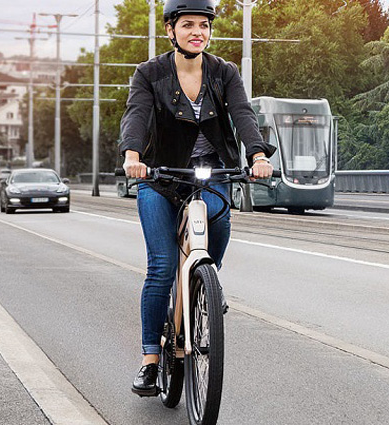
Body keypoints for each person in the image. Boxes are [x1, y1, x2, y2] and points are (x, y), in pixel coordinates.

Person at [119, 0, 275, 396]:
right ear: (170, 30)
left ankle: (205, 285)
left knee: (220, 224)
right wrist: (132, 156)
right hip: (162, 177)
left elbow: (242, 114)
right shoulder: (149, 73)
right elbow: (136, 114)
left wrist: (257, 155)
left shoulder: (224, 72)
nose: (197, 32)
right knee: (160, 267)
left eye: (203, 25)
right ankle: (151, 359)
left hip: (210, 173)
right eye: (187, 25)